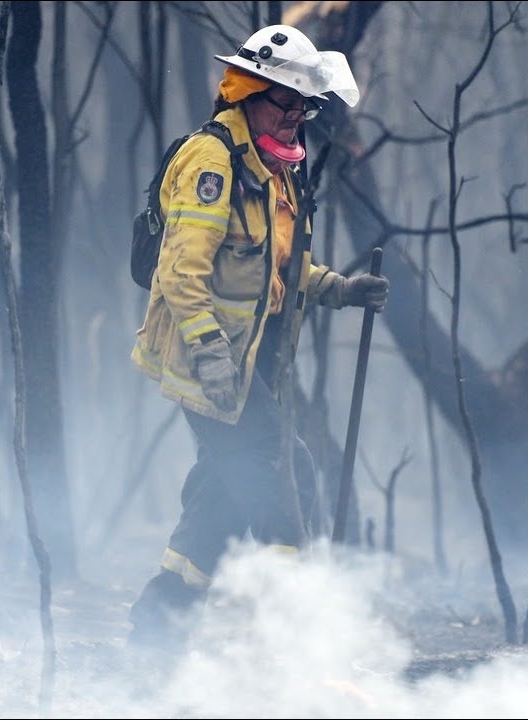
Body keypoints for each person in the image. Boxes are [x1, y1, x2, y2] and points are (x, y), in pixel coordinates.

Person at [127, 24, 389, 649]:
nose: (296, 117)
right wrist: (210, 352)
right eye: (286, 103)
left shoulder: (273, 168)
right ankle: (291, 633)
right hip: (207, 364)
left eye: (306, 107)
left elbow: (276, 266)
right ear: (247, 92)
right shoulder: (212, 163)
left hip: (250, 365)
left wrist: (339, 289)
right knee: (283, 470)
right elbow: (180, 273)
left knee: (218, 497)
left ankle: (158, 626)